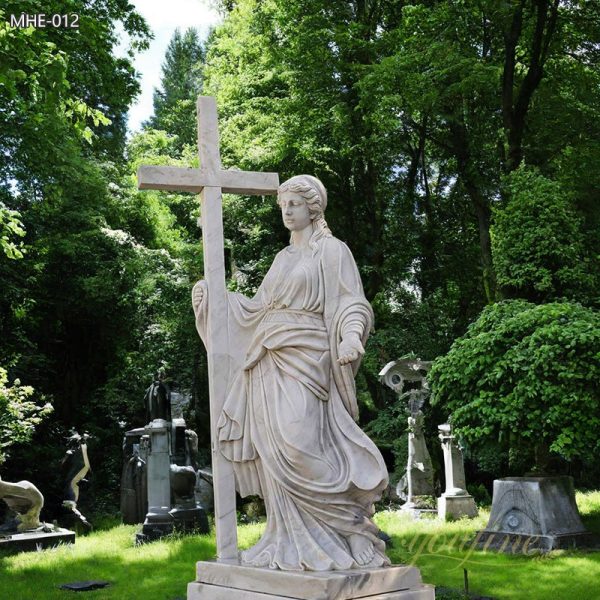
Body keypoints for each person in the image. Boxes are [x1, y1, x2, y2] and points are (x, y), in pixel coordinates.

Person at [192, 175, 389, 571]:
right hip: (266, 358)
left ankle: (352, 527)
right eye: (283, 205)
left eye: (294, 204)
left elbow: (354, 303)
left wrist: (351, 337)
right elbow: (257, 309)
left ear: (314, 208)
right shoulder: (282, 259)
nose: (287, 211)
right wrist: (217, 302)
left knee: (300, 444)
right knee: (273, 454)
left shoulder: (332, 252)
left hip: (309, 358)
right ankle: (288, 539)